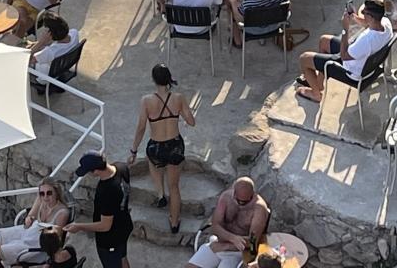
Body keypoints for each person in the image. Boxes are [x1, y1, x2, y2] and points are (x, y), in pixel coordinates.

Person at [128, 64, 196, 234]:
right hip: (174, 145)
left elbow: (141, 128)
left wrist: (133, 150)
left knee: (152, 160)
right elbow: (191, 122)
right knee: (174, 186)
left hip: (157, 145)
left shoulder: (146, 100)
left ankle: (160, 194)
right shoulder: (178, 97)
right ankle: (174, 222)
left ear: (154, 80)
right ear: (169, 78)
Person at [295, 0, 393, 104]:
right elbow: (367, 24)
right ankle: (318, 84)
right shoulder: (386, 23)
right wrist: (354, 17)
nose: (362, 13)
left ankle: (316, 94)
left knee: (304, 58)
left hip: (350, 71)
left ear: (371, 17)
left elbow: (344, 56)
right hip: (367, 64)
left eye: (364, 12)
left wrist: (345, 29)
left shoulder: (367, 41)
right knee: (324, 41)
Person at [68, 154, 132, 268]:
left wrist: (79, 226)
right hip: (125, 224)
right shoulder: (121, 167)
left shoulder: (106, 191)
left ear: (96, 171)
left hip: (111, 238)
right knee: (122, 258)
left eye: (88, 171)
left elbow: (105, 226)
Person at [187, 179, 270, 268]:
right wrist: (232, 238)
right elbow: (215, 226)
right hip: (218, 243)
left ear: (252, 194)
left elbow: (253, 243)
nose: (241, 204)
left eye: (245, 202)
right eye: (238, 200)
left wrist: (225, 246)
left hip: (238, 252)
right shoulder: (226, 197)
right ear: (234, 193)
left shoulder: (259, 208)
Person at [0, 177, 70, 264]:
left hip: (39, 242)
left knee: (1, 251)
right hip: (29, 231)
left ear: (56, 193)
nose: (45, 197)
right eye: (42, 193)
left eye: (49, 193)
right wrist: (29, 219)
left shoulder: (62, 213)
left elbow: (56, 238)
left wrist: (42, 229)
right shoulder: (40, 200)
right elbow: (30, 217)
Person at [29, 14, 81, 87]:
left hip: (46, 78)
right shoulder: (74, 33)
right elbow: (57, 44)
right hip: (61, 69)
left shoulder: (50, 52)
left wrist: (40, 42)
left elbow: (28, 59)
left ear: (50, 34)